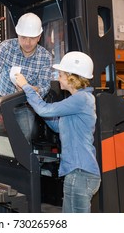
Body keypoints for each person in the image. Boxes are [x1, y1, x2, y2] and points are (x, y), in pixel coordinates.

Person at [15, 51, 101, 213]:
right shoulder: (78, 100)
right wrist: (39, 103)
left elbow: (43, 110)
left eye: (60, 74)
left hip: (80, 173)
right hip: (77, 172)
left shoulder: (81, 99)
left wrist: (27, 87)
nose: (58, 78)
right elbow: (57, 125)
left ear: (71, 77)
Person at [0, 12, 52, 141]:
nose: (27, 42)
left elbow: (44, 86)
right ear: (17, 34)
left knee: (22, 139)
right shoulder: (6, 47)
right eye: (23, 37)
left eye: (32, 38)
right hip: (0, 99)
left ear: (39, 37)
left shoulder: (45, 57)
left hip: (24, 105)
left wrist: (28, 88)